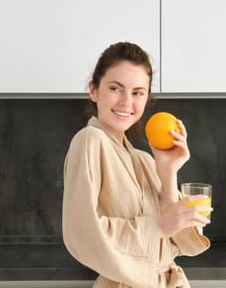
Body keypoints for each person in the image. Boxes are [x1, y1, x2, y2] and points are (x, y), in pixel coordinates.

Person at [62, 42, 212, 288]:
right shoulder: (89, 141)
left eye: (138, 92)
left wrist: (168, 170)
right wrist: (159, 227)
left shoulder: (143, 159)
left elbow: (180, 242)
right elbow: (83, 234)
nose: (126, 102)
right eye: (115, 88)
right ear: (93, 90)